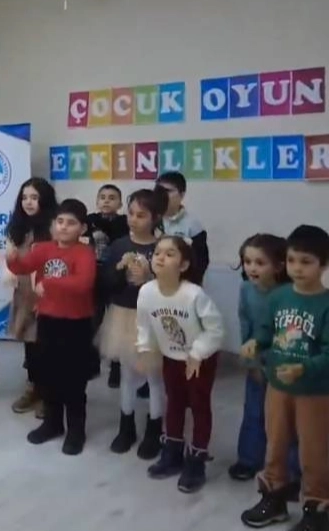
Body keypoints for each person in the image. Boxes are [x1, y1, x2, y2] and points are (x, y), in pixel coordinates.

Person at [240, 225, 329, 531]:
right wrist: (257, 342)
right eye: (291, 260)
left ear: (324, 264)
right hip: (277, 387)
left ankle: (317, 509)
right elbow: (267, 330)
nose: (297, 268)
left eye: (306, 262)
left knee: (314, 451)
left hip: (315, 393)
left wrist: (305, 369)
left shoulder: (326, 304)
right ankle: (274, 498)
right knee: (275, 444)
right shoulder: (279, 296)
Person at [6, 199, 96, 456]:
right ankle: (53, 423)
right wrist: (13, 260)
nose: (64, 227)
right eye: (60, 221)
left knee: (74, 381)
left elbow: (83, 284)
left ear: (82, 228)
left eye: (71, 223)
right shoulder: (44, 248)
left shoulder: (84, 253)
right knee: (48, 376)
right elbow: (24, 267)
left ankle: (76, 431)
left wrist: (50, 283)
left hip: (76, 324)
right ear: (53, 224)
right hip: (48, 321)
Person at [138, 236, 224, 494]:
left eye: (169, 254)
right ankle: (172, 451)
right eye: (157, 252)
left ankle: (196, 459)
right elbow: (144, 325)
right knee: (174, 403)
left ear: (183, 265)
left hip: (199, 360)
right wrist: (144, 349)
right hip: (171, 357)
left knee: (199, 406)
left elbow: (215, 329)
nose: (160, 258)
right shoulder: (147, 292)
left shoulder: (194, 295)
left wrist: (198, 353)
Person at [229, 234, 300, 489]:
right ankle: (249, 459)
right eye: (247, 261)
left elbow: (292, 336)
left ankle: (291, 470)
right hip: (257, 364)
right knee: (254, 412)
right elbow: (245, 324)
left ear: (279, 266)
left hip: (285, 367)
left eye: (260, 263)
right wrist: (252, 364)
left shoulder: (291, 294)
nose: (252, 268)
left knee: (287, 420)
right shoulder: (246, 289)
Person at [100, 189, 166, 460]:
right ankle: (126, 427)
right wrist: (119, 271)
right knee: (128, 375)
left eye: (141, 215)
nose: (134, 219)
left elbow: (173, 286)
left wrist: (150, 276)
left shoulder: (163, 248)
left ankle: (155, 429)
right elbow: (106, 282)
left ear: (155, 217)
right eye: (131, 213)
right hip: (124, 315)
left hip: (154, 319)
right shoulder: (119, 245)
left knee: (155, 377)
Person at [5, 177, 57, 417]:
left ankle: (49, 394)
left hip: (48, 293)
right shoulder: (17, 227)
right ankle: (33, 387)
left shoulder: (54, 228)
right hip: (24, 293)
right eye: (24, 197)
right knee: (30, 344)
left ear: (44, 200)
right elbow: (11, 260)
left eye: (34, 197)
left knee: (47, 345)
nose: (28, 202)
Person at [86, 183, 129, 389]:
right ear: (97, 201)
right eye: (102, 197)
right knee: (93, 322)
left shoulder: (125, 223)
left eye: (112, 198)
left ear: (120, 204)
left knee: (115, 325)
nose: (106, 201)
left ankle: (116, 367)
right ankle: (92, 363)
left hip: (116, 278)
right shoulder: (89, 220)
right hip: (93, 278)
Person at [155, 171, 209, 285]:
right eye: (159, 191)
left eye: (168, 191)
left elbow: (201, 262)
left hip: (183, 285)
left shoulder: (193, 225)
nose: (162, 195)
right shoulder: (151, 220)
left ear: (182, 194)